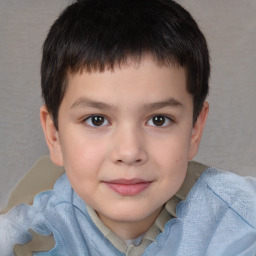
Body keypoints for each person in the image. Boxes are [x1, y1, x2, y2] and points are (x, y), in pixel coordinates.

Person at [1, 0, 256, 255]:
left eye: (159, 120)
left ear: (194, 130)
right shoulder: (21, 239)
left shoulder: (244, 223)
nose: (129, 151)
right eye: (96, 120)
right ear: (54, 135)